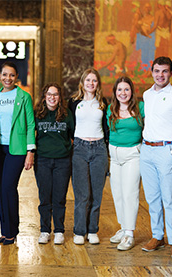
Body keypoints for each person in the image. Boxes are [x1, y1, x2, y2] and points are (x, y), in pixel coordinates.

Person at [139, 56, 172, 259]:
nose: (160, 75)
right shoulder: (146, 95)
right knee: (152, 198)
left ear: (170, 73)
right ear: (151, 72)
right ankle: (157, 236)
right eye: (157, 71)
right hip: (147, 150)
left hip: (166, 150)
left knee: (169, 198)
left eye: (165, 71)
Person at [0, 62, 36, 245]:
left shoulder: (24, 96)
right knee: (0, 189)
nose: (8, 78)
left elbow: (31, 124)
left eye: (12, 75)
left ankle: (13, 230)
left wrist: (30, 151)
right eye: (4, 74)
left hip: (17, 148)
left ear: (16, 77)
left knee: (8, 187)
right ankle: (5, 230)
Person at [68, 68, 109, 245]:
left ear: (97, 83)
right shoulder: (74, 102)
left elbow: (106, 126)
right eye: (88, 80)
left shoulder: (103, 102)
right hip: (79, 148)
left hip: (99, 149)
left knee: (96, 194)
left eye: (94, 80)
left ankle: (92, 230)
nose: (91, 83)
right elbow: (70, 125)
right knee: (82, 194)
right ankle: (79, 231)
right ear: (82, 83)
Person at [33, 83, 75, 245]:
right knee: (44, 197)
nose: (52, 97)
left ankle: (59, 230)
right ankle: (44, 230)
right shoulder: (37, 114)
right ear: (44, 96)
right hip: (42, 159)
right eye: (49, 94)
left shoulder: (67, 115)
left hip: (63, 160)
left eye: (56, 94)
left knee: (59, 197)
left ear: (60, 97)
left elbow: (73, 135)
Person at [106, 77, 144, 251]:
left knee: (130, 194)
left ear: (132, 91)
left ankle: (129, 234)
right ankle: (123, 227)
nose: (123, 93)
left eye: (126, 89)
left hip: (132, 155)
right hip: (114, 156)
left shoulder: (141, 108)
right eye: (119, 89)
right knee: (118, 194)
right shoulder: (110, 109)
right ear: (115, 92)